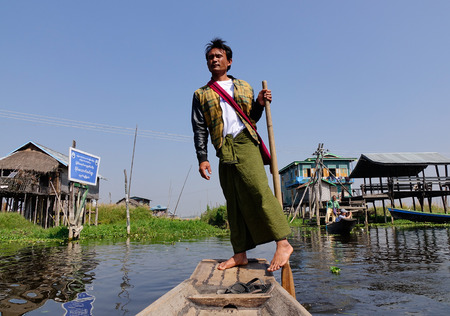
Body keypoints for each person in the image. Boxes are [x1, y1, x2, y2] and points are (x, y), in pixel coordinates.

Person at [191, 38, 293, 272]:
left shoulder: (244, 87)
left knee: (258, 190)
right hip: (223, 148)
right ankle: (240, 254)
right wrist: (202, 158)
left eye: (218, 56)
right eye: (210, 58)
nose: (214, 60)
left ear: (229, 61)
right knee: (233, 201)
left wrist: (258, 103)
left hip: (245, 142)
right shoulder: (201, 94)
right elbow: (199, 128)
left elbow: (252, 118)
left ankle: (283, 242)